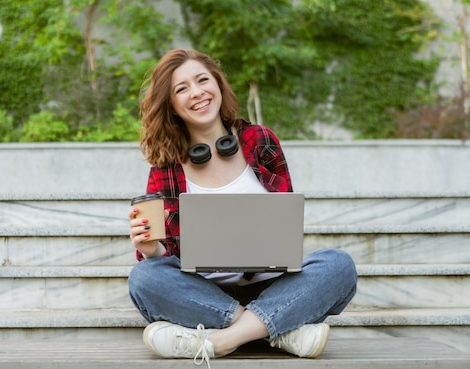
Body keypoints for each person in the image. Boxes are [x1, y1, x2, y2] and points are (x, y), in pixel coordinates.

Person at [127, 49, 357, 367]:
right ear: (172, 105)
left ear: (218, 84)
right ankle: (275, 331)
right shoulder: (166, 165)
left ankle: (221, 340)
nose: (197, 93)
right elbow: (162, 261)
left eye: (202, 80)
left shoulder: (260, 140)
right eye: (182, 89)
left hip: (271, 285)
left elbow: (284, 224)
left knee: (339, 265)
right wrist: (151, 250)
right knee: (144, 278)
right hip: (204, 294)